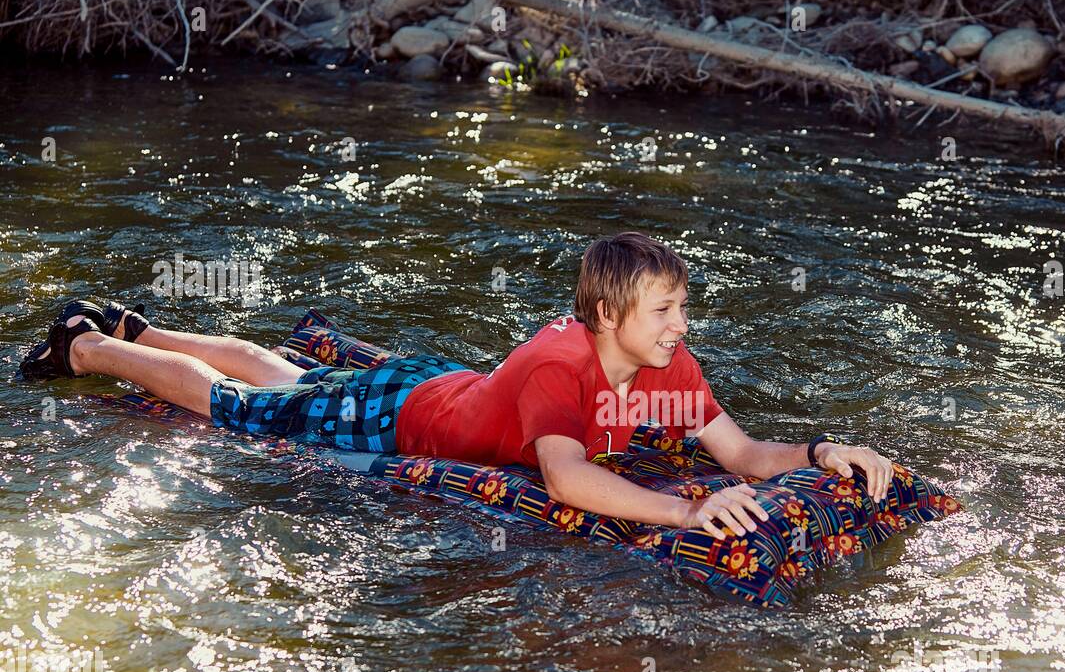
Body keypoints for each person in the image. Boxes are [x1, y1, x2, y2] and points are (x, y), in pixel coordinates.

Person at [18, 233, 895, 539]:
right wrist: (685, 510)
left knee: (287, 372)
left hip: (444, 386)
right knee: (244, 406)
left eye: (681, 308)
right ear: (607, 315)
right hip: (395, 413)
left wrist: (824, 450)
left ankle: (137, 324)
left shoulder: (668, 364)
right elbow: (566, 480)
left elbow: (740, 453)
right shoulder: (564, 368)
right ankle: (92, 347)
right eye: (665, 309)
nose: (681, 325)